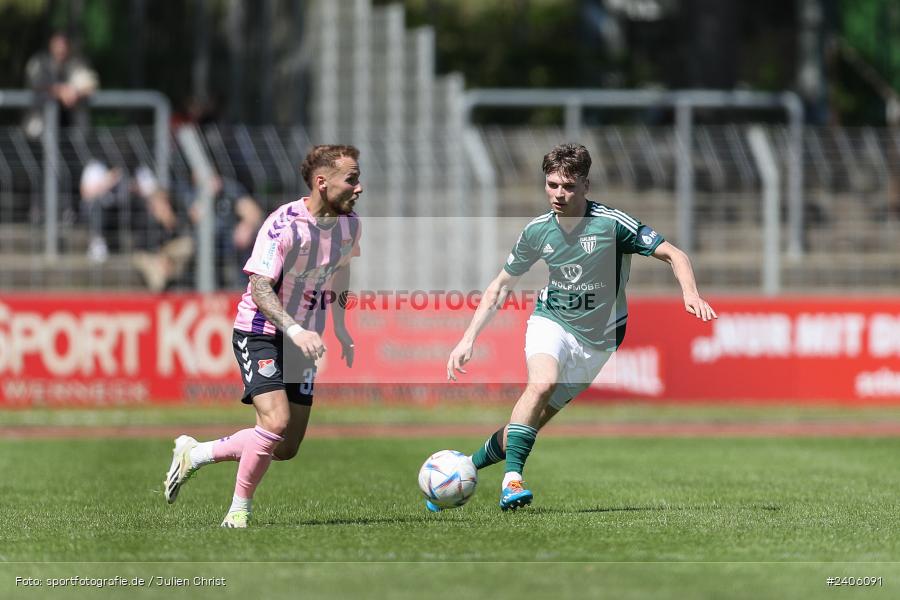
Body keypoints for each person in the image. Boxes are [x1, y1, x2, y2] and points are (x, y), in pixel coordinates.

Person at [444, 143, 717, 512]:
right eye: (552, 184)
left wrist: (691, 293)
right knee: (541, 384)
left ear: (586, 185)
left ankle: (461, 470)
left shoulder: (611, 224)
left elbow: (674, 253)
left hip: (600, 341)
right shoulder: (537, 231)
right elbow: (501, 285)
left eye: (569, 186)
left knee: (530, 424)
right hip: (551, 320)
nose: (559, 194)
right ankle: (512, 482)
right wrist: (468, 337)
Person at [163, 145, 363, 527]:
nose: (359, 187)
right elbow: (259, 287)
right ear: (322, 183)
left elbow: (340, 272)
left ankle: (196, 454)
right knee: (274, 423)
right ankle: (238, 510)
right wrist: (295, 328)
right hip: (262, 331)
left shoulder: (350, 224)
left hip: (304, 340)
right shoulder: (283, 224)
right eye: (351, 179)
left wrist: (339, 326)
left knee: (286, 447)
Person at [24, 32, 98, 138]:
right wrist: (59, 91)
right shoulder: (40, 62)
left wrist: (74, 91)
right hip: (39, 130)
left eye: (63, 46)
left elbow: (90, 82)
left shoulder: (76, 63)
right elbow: (35, 82)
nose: (60, 50)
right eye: (57, 46)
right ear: (50, 46)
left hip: (73, 130)